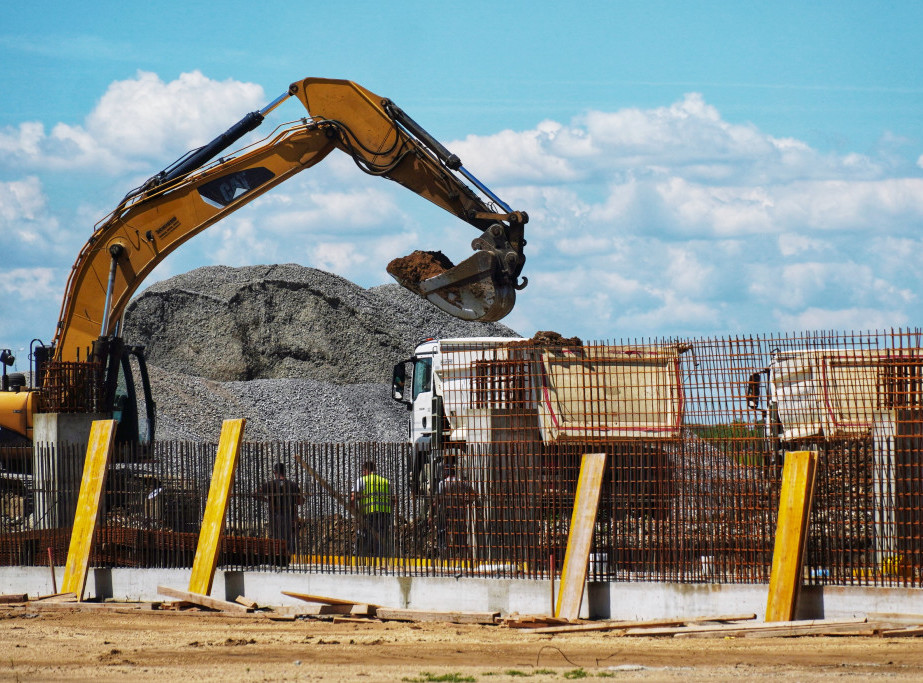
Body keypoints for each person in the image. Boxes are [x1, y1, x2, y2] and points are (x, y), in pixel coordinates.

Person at [257, 462, 305, 563]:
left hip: (274, 517)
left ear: (274, 472)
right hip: (289, 517)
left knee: (275, 538)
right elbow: (301, 501)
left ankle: (276, 560)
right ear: (285, 472)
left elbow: (255, 494)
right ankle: (291, 559)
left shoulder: (269, 485)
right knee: (290, 539)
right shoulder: (292, 485)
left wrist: (268, 500)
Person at [351, 461, 395, 558]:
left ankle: (362, 556)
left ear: (366, 470)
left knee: (365, 535)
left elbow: (353, 497)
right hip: (385, 515)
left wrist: (355, 512)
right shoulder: (385, 481)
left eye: (363, 471)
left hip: (369, 514)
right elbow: (393, 500)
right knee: (381, 537)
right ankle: (381, 558)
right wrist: (390, 513)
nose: (362, 473)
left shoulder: (362, 480)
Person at [432, 466, 477, 560]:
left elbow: (438, 499)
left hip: (445, 510)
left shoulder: (443, 483)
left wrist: (433, 512)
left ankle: (444, 554)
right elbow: (473, 493)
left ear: (446, 474)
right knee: (460, 531)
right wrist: (467, 502)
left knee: (443, 531)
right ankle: (462, 554)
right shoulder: (462, 482)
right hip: (459, 509)